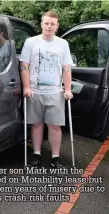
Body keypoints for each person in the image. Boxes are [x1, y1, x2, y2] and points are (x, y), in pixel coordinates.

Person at [19, 11, 74, 168]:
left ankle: (55, 157)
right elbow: (24, 65)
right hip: (34, 91)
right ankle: (36, 153)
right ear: (42, 24)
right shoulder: (31, 42)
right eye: (46, 23)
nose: (49, 26)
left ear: (57, 26)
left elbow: (67, 68)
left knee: (55, 126)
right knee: (36, 124)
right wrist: (26, 87)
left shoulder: (63, 44)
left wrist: (68, 89)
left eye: (52, 24)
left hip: (55, 91)